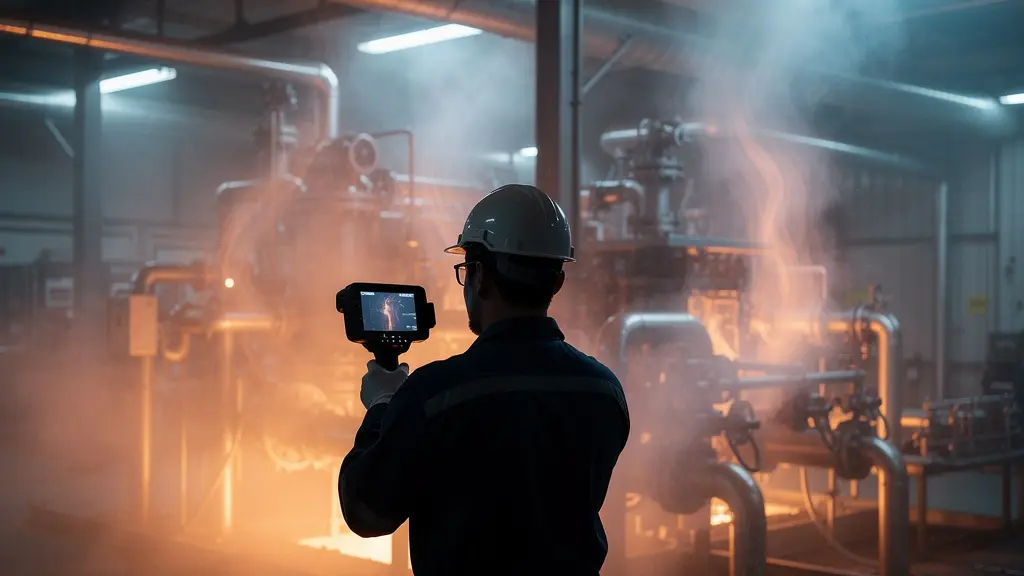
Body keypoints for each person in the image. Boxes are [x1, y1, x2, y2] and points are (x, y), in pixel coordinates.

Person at [338, 184, 630, 575]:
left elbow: (367, 512)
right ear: (557, 281)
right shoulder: (603, 390)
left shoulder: (435, 394)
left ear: (478, 277)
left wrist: (382, 406)